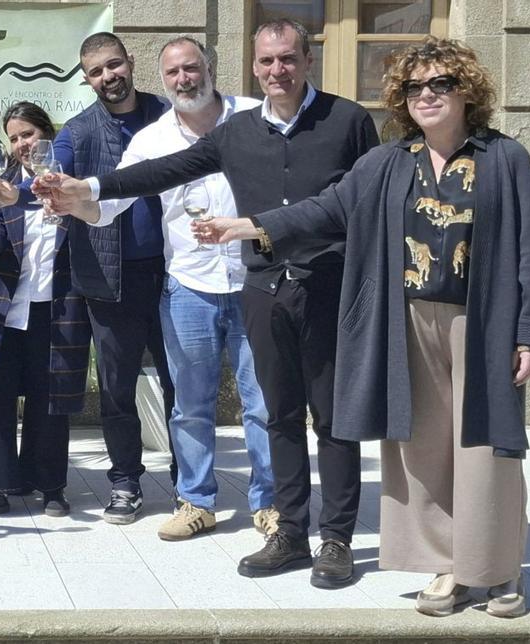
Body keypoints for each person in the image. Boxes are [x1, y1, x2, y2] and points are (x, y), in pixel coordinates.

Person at [194, 36, 530, 618]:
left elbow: (529, 252)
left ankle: (500, 569)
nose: (427, 95)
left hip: (481, 325)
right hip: (408, 322)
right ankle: (448, 567)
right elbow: (325, 209)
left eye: (441, 84)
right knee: (423, 451)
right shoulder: (390, 162)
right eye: (415, 87)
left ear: (465, 91)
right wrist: (248, 226)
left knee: (488, 450)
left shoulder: (505, 158)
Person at [41, 19, 377, 587]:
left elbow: (360, 205)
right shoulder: (209, 133)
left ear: (306, 61)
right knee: (241, 412)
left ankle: (311, 526)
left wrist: (252, 228)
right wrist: (85, 192)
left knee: (305, 414)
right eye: (268, 62)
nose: (278, 71)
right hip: (230, 289)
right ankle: (251, 518)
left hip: (306, 288)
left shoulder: (311, 119)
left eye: (288, 60)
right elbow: (154, 175)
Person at [67, 37, 275, 542]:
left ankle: (271, 503)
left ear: (210, 66)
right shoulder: (153, 139)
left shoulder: (255, 116)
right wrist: (72, 201)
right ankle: (197, 501)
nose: (184, 79)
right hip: (189, 287)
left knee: (264, 404)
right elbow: (110, 203)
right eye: (174, 73)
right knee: (190, 405)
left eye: (191, 68)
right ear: (163, 79)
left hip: (254, 282)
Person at [38, 32, 175, 525]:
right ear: (86, 79)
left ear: (130, 63)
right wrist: (30, 191)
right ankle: (126, 483)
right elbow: (51, 178)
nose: (108, 77)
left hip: (175, 275)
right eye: (96, 72)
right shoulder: (78, 131)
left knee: (183, 383)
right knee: (117, 390)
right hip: (109, 278)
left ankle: (190, 483)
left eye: (113, 65)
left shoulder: (169, 116)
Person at [0, 102, 92, 520]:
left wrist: (28, 203)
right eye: (13, 138)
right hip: (2, 308)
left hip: (56, 306)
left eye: (27, 134)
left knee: (49, 398)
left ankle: (50, 486)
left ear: (46, 134)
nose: (21, 145)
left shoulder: (69, 186)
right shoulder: (2, 185)